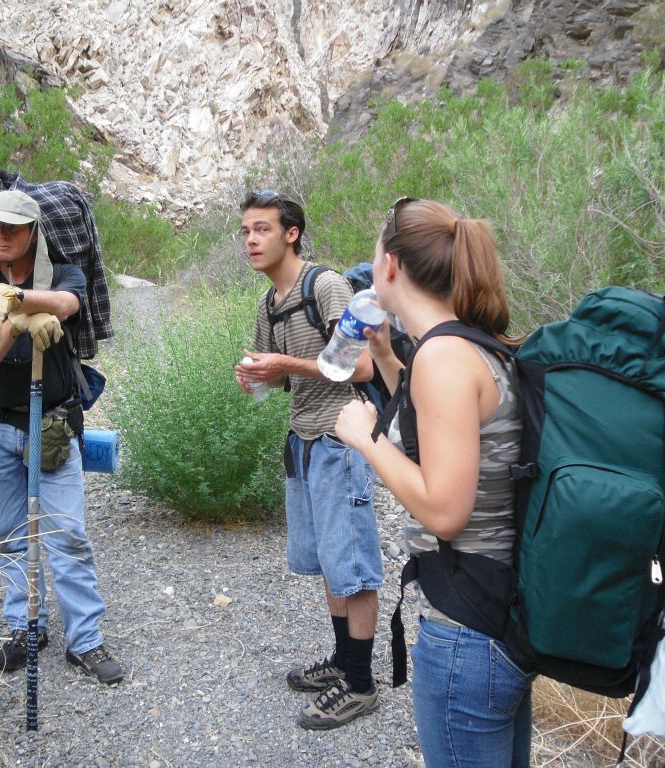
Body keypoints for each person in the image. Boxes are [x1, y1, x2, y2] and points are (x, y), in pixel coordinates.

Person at [333, 198, 533, 767]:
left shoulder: (444, 356)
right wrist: (386, 358)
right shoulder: (466, 345)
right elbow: (438, 431)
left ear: (390, 266)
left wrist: (365, 438)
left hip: (466, 630)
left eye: (374, 255)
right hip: (498, 617)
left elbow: (445, 511)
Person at [0, 189, 123, 685]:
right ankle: (25, 628)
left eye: (13, 227)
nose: (1, 235)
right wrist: (17, 323)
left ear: (33, 233)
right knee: (9, 536)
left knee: (67, 533)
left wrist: (16, 298)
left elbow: (67, 302)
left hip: (51, 424)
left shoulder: (62, 274)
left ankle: (85, 641)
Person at [234, 190, 384, 730]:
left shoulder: (324, 286)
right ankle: (344, 663)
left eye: (262, 229)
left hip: (342, 437)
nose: (251, 240)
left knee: (353, 563)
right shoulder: (267, 304)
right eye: (247, 230)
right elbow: (282, 379)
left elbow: (362, 367)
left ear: (290, 233)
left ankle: (361, 683)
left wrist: (284, 362)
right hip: (303, 439)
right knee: (326, 559)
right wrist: (262, 375)